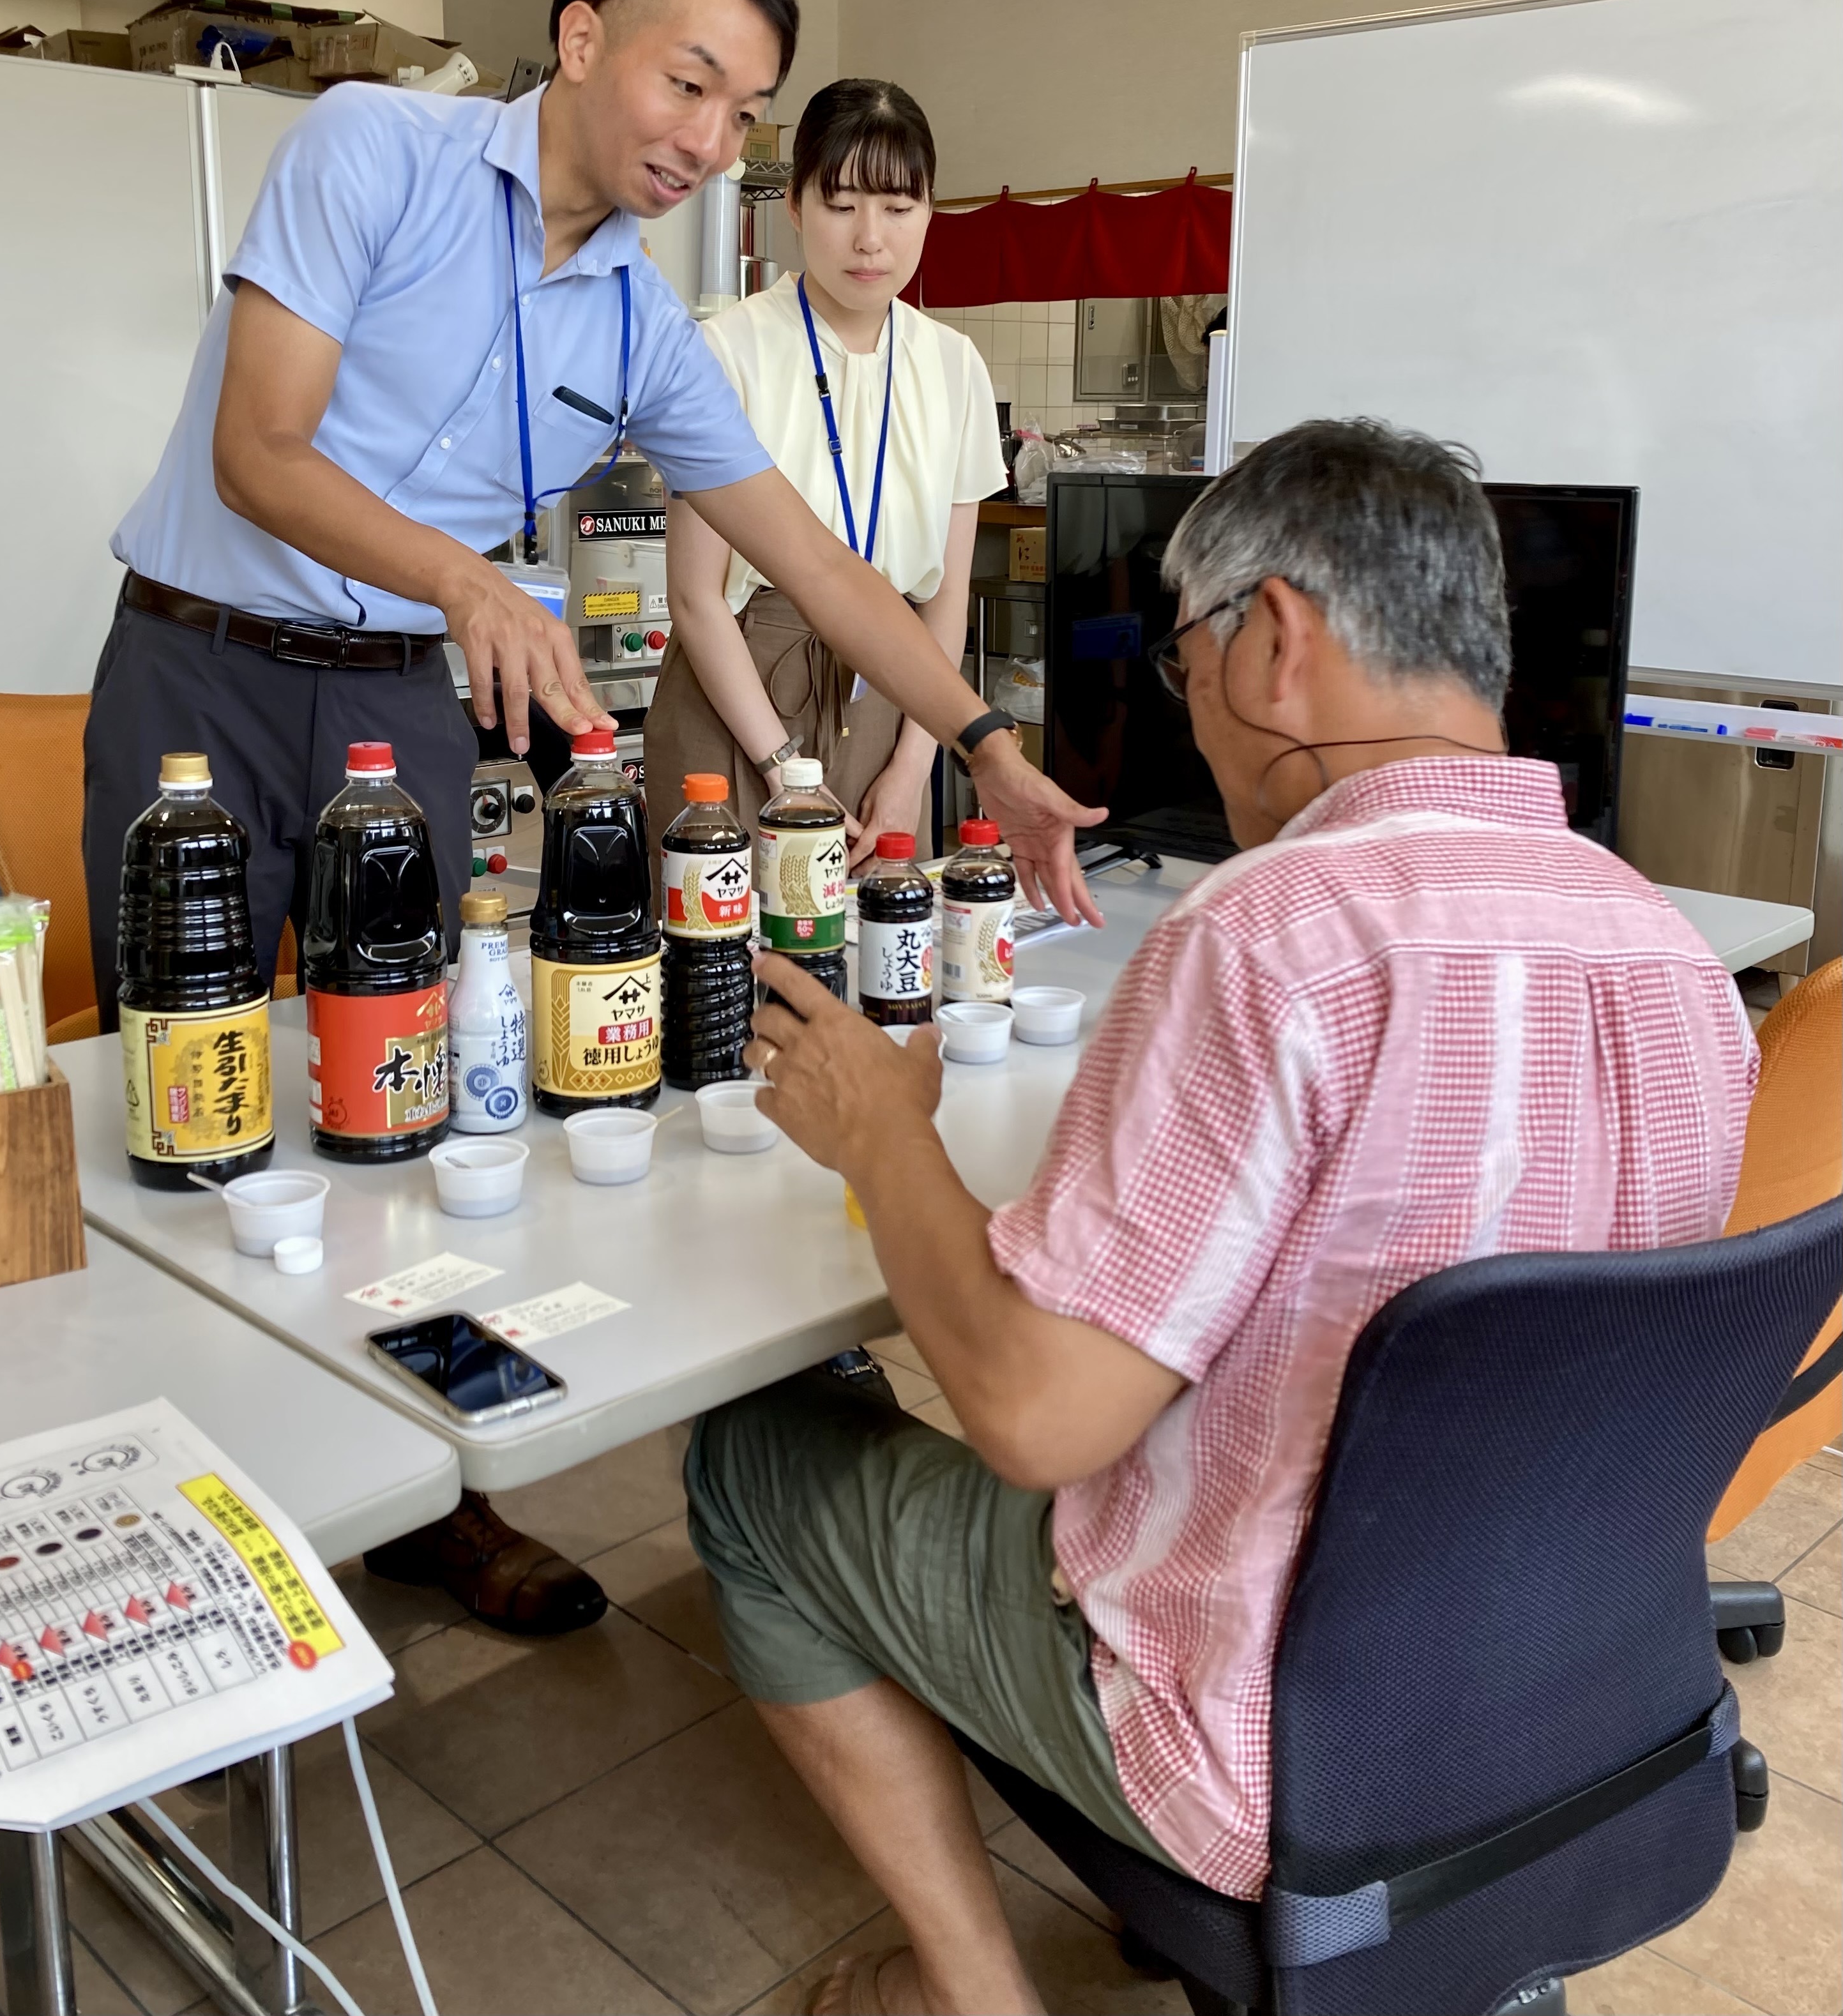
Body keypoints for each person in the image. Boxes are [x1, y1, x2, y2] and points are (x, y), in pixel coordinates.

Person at [84, 0, 1104, 1640]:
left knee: (404, 1095)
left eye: (739, 111)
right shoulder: (371, 152)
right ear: (580, 41)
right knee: (178, 1101)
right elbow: (261, 450)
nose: (707, 140)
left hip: (405, 691)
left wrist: (982, 742)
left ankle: (413, 1496)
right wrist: (469, 571)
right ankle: (160, 1533)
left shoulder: (634, 317)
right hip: (205, 667)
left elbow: (815, 566)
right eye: (686, 83)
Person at [686, 418, 1759, 2016]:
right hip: (1589, 1704)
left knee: (750, 1457)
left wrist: (880, 1133)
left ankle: (971, 1989)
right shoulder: (1673, 956)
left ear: (1270, 640)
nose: (1184, 709)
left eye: (1182, 657)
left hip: (1269, 1760)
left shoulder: (1263, 938)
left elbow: (1033, 1417)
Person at [648, 78, 1001, 864]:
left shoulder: (954, 365)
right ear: (797, 208)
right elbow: (695, 597)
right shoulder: (727, 351)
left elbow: (945, 601)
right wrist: (782, 771)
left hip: (886, 690)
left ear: (930, 211)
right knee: (722, 960)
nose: (870, 239)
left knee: (869, 956)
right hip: (734, 693)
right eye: (841, 206)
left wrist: (914, 765)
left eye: (898, 208)